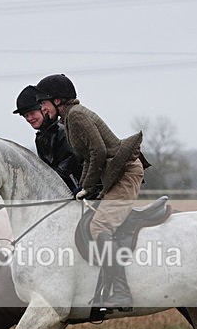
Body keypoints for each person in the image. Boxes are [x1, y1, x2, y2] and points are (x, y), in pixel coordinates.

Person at [35, 74, 147, 311]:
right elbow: (88, 157)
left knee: (99, 227)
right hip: (115, 172)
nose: (42, 109)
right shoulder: (70, 117)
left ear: (57, 100)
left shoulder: (75, 116)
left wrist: (86, 186)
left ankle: (121, 292)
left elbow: (97, 150)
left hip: (126, 173)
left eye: (43, 103)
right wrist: (81, 188)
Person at [13, 84, 82, 193]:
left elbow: (71, 162)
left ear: (44, 109)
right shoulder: (40, 137)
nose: (29, 119)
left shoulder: (62, 131)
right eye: (26, 116)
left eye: (32, 113)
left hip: (80, 191)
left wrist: (45, 180)